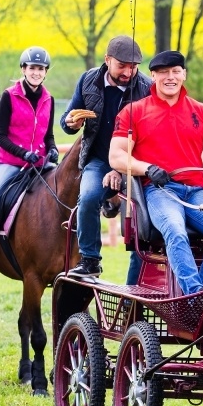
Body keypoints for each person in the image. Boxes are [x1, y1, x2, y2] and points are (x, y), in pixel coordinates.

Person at [108, 50, 203, 296]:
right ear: (153, 76)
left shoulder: (202, 112)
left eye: (176, 72)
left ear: (184, 75)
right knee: (175, 231)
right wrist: (147, 168)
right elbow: (116, 156)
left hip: (197, 192)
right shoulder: (133, 112)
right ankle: (194, 296)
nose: (171, 77)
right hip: (159, 192)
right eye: (164, 73)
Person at [60, 35, 152, 280]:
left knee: (143, 219)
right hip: (99, 159)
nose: (128, 72)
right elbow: (67, 118)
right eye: (122, 65)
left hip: (136, 161)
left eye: (133, 67)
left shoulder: (147, 88)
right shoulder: (88, 80)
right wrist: (70, 123)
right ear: (107, 60)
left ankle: (141, 272)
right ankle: (90, 259)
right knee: (88, 197)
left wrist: (122, 171)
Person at [0, 46, 59, 280]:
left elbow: (48, 135)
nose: (36, 73)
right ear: (23, 69)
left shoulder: (49, 99)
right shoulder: (9, 96)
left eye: (40, 69)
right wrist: (23, 154)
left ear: (45, 72)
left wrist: (52, 149)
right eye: (32, 68)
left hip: (39, 164)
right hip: (11, 162)